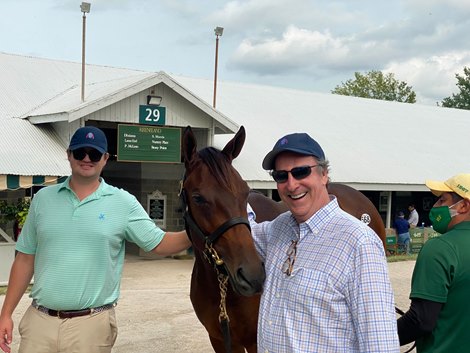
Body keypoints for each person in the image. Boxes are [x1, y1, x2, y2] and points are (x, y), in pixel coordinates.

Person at [0, 126, 191, 353]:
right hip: (39, 323)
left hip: (91, 325)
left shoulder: (123, 202)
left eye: (95, 153)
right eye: (80, 153)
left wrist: (198, 232)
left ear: (106, 158)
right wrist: (6, 313)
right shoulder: (42, 199)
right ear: (69, 155)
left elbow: (159, 243)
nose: (87, 159)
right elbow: (25, 260)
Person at [249, 133, 399, 352]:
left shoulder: (359, 243)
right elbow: (244, 230)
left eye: (301, 172)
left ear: (324, 174)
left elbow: (380, 344)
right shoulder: (278, 229)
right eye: (281, 176)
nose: (291, 185)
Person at [397, 173, 470, 352]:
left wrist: (377, 335)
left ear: (463, 205)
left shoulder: (440, 248)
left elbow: (421, 320)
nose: (435, 207)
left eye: (442, 200)